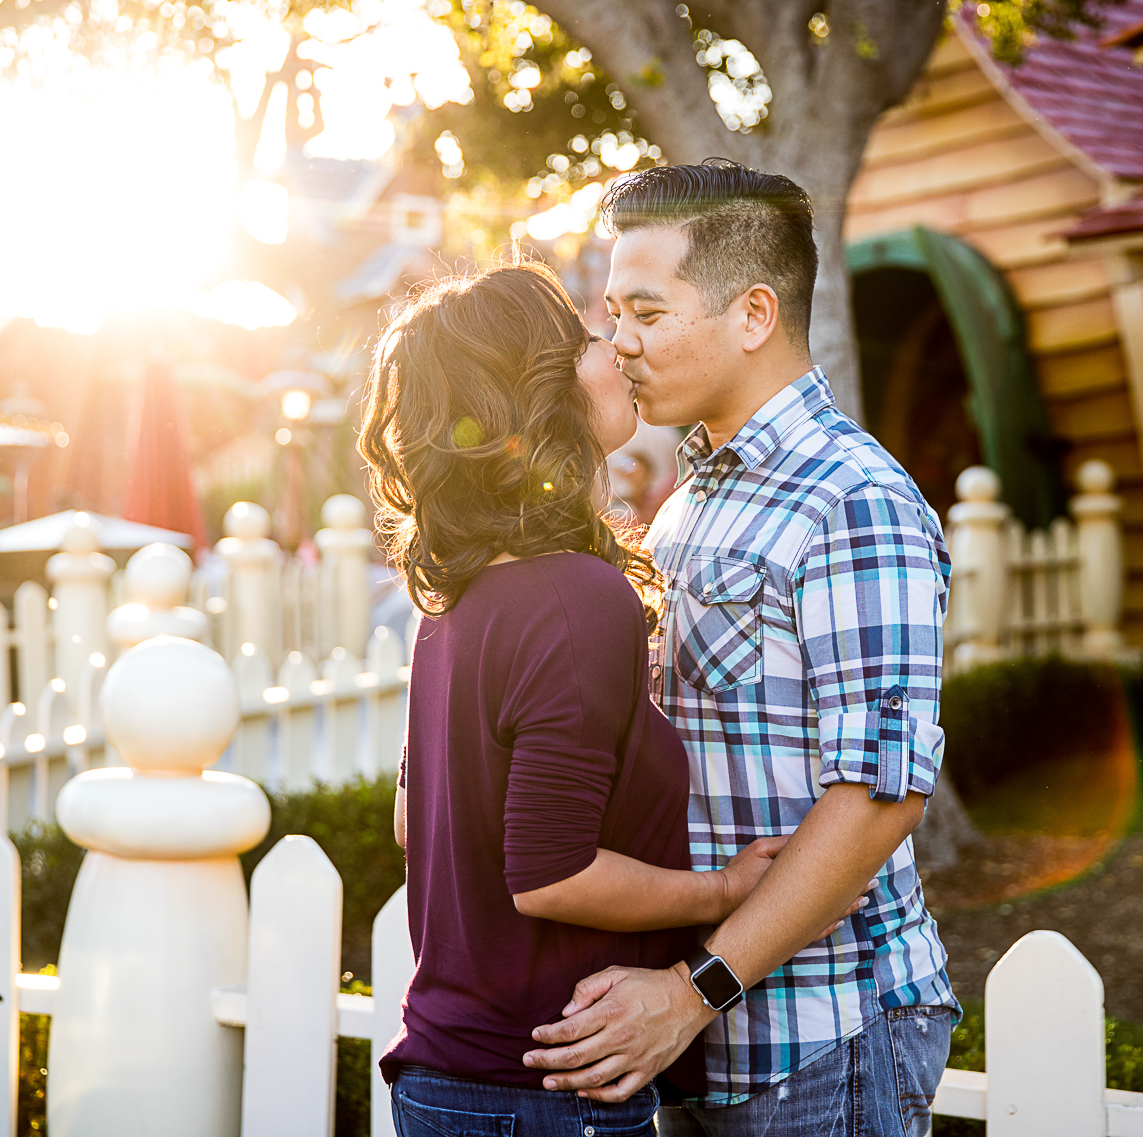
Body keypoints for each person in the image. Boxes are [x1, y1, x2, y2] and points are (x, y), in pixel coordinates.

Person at [522, 160, 962, 1136]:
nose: (618, 344)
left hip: (823, 1030)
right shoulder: (686, 504)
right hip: (695, 1033)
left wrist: (694, 988)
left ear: (754, 314)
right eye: (612, 313)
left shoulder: (853, 501)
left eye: (646, 312)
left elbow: (880, 795)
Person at [360, 260, 848, 1136]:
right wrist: (722, 890)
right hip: (541, 1090)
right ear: (533, 394)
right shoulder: (577, 599)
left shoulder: (455, 600)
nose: (617, 347)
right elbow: (549, 874)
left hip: (455, 1079)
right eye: (587, 338)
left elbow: (412, 822)